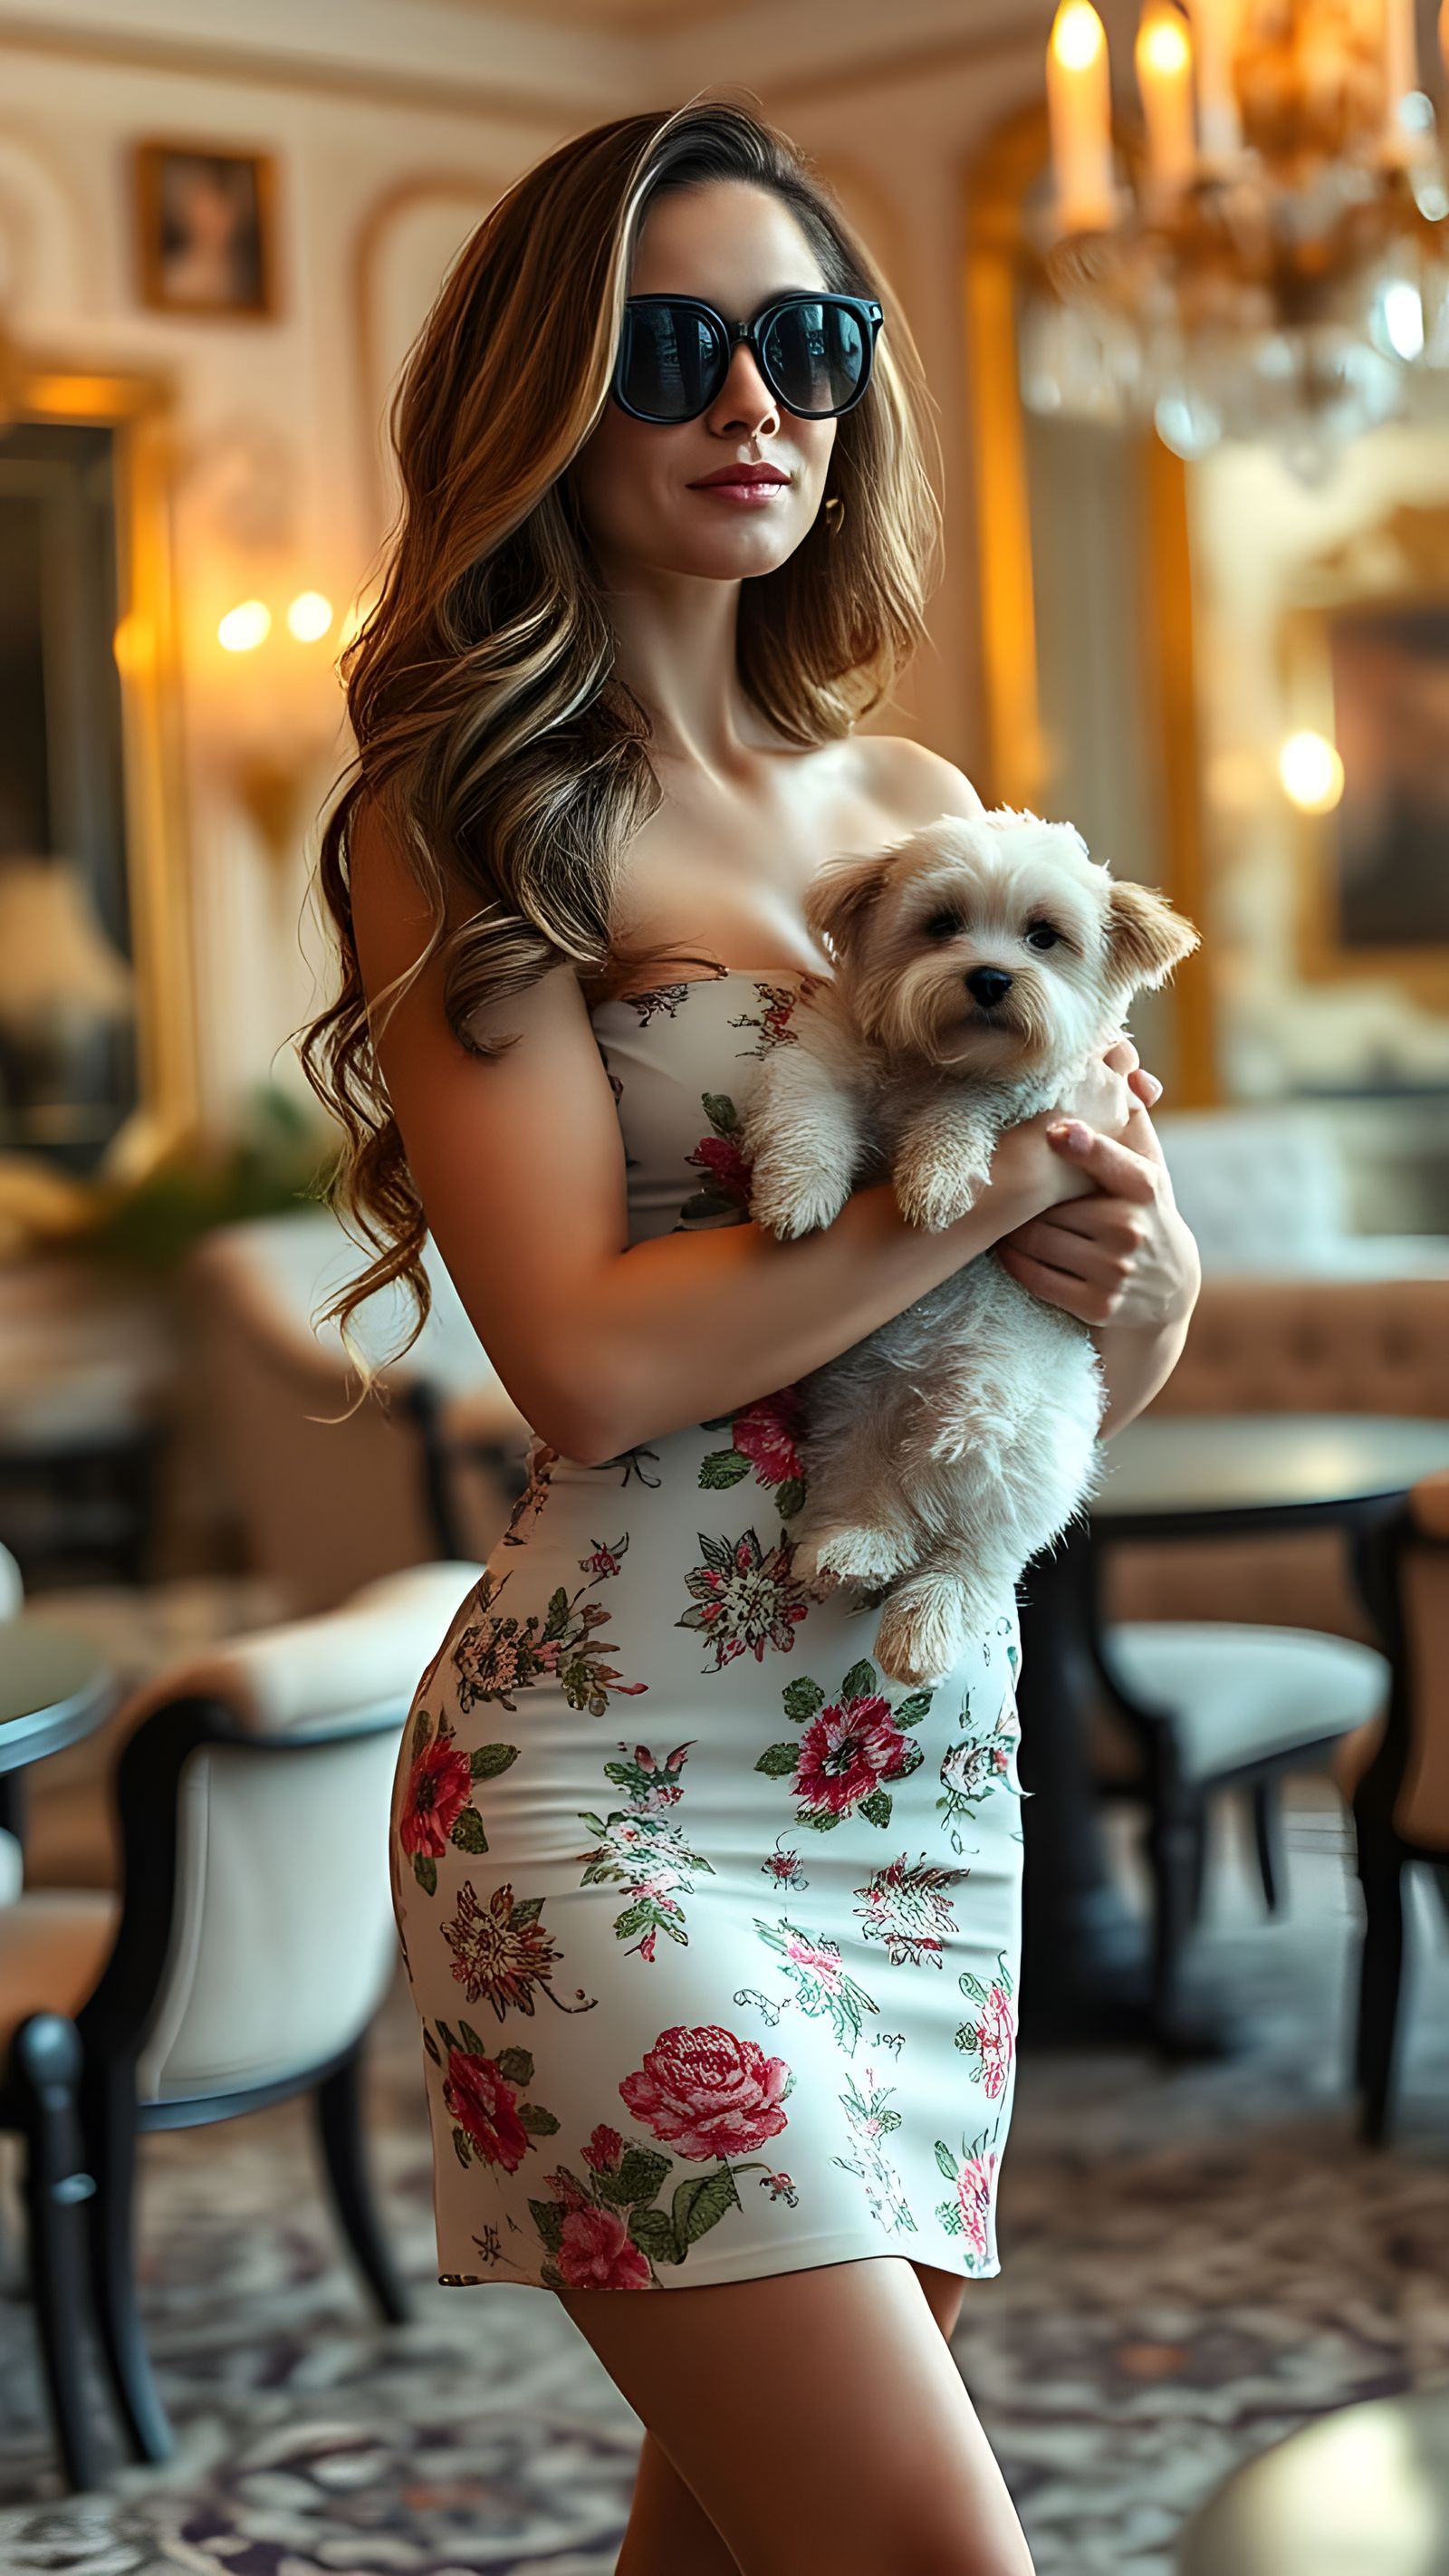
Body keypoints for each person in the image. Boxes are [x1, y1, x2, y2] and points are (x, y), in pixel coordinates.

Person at [300, 98, 1200, 2576]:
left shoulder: (920, 802)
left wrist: (1134, 1266)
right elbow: (582, 1358)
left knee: (737, 2541)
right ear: (548, 401)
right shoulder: (475, 809)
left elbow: (1076, 1353)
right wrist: (1014, 1175)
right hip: (609, 1781)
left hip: (917, 1767)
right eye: (672, 348)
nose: (755, 404)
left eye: (805, 340)